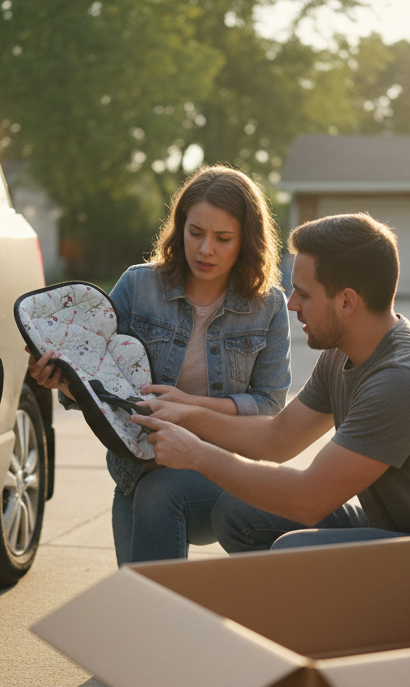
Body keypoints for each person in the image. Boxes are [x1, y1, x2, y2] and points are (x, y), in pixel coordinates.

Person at [132, 212, 410, 552]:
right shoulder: (342, 354)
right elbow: (278, 438)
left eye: (304, 294)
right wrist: (185, 415)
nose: (291, 304)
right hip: (398, 531)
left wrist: (196, 453)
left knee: (292, 552)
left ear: (346, 302)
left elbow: (309, 500)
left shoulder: (405, 378)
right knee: (240, 511)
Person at [27, 166, 290, 565]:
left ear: (246, 242)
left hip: (222, 473)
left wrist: (189, 407)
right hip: (140, 472)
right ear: (179, 228)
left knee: (160, 493)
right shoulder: (138, 287)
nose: (205, 250)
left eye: (223, 238)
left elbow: (269, 405)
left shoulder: (267, 305)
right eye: (195, 232)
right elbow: (104, 380)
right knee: (136, 600)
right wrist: (63, 382)